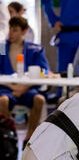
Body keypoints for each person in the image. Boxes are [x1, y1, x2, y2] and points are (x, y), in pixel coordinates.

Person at [0, 16, 49, 148]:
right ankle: (10, 134)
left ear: (24, 31)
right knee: (2, 100)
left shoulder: (35, 49)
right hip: (7, 89)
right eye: (10, 29)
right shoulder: (2, 47)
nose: (11, 33)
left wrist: (24, 87)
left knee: (39, 99)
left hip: (28, 89)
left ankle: (30, 136)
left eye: (15, 30)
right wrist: (11, 86)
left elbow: (44, 71)